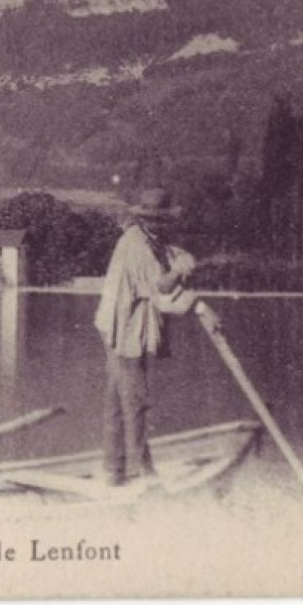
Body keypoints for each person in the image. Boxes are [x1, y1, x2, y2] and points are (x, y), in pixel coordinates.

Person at [94, 187, 209, 486]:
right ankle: (140, 469)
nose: (160, 224)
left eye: (162, 219)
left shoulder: (151, 240)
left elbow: (172, 256)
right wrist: (196, 297)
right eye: (154, 219)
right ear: (144, 218)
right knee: (134, 399)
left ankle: (114, 468)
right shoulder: (136, 246)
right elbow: (162, 287)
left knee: (119, 398)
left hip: (122, 327)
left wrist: (183, 260)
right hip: (123, 329)